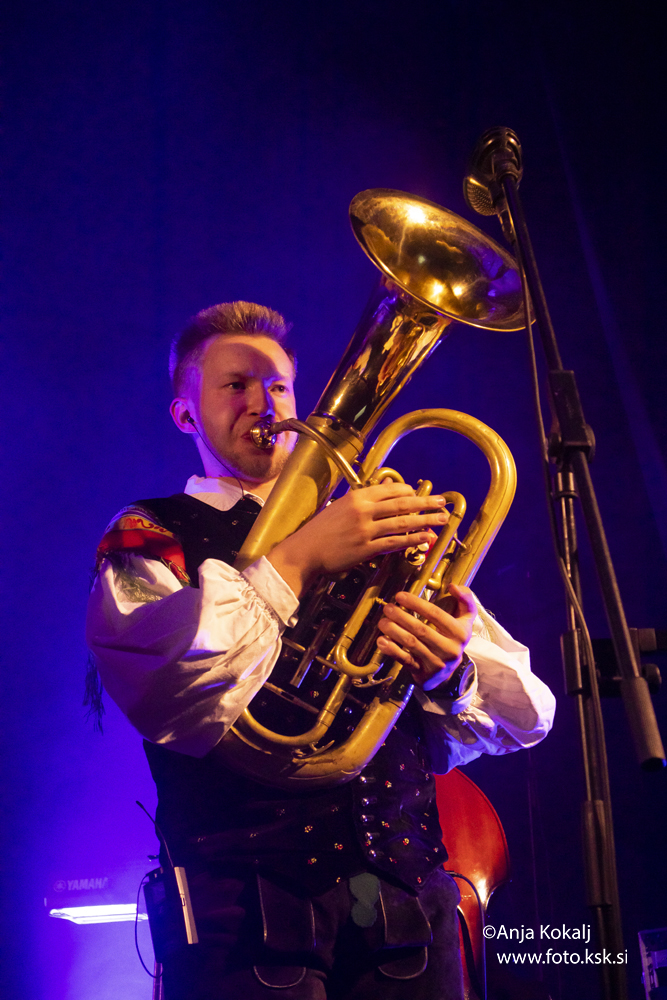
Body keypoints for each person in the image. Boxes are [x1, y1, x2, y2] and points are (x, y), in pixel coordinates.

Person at [86, 301, 555, 1000]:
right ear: (185, 414)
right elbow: (163, 683)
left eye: (278, 385)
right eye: (235, 385)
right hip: (242, 914)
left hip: (409, 904)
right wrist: (297, 559)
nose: (263, 403)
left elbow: (530, 713)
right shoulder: (149, 532)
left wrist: (450, 672)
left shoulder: (367, 518)